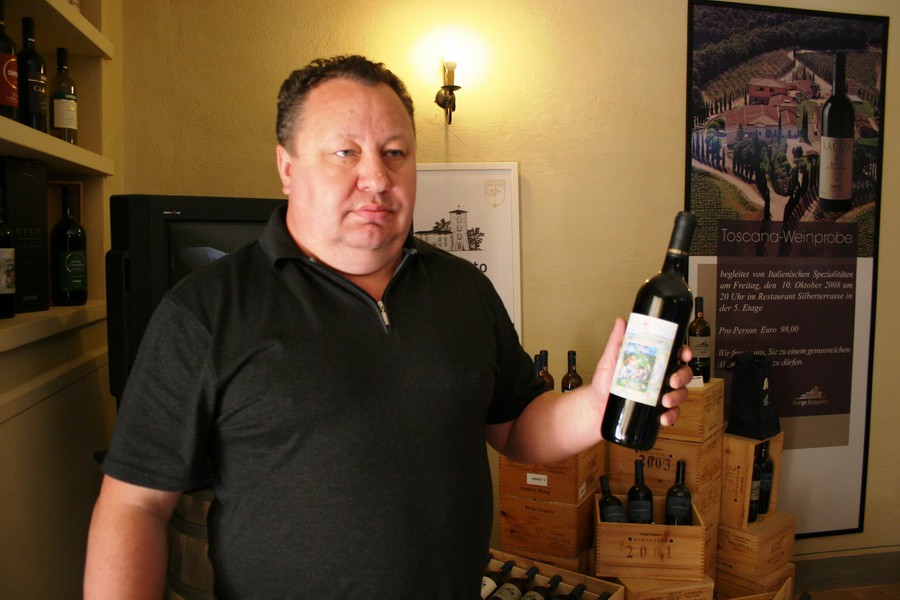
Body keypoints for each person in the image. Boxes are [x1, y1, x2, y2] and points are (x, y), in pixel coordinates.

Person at [83, 55, 692, 599]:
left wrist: (598, 401)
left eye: (395, 153)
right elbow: (134, 505)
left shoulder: (464, 290)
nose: (376, 177)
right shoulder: (204, 311)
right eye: (345, 152)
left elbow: (515, 427)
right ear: (287, 167)